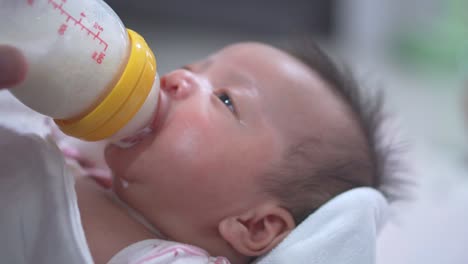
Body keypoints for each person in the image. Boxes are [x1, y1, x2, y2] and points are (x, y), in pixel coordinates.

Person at [0, 41, 390, 264]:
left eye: (224, 99)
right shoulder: (86, 163)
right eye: (193, 67)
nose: (178, 78)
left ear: (255, 226)